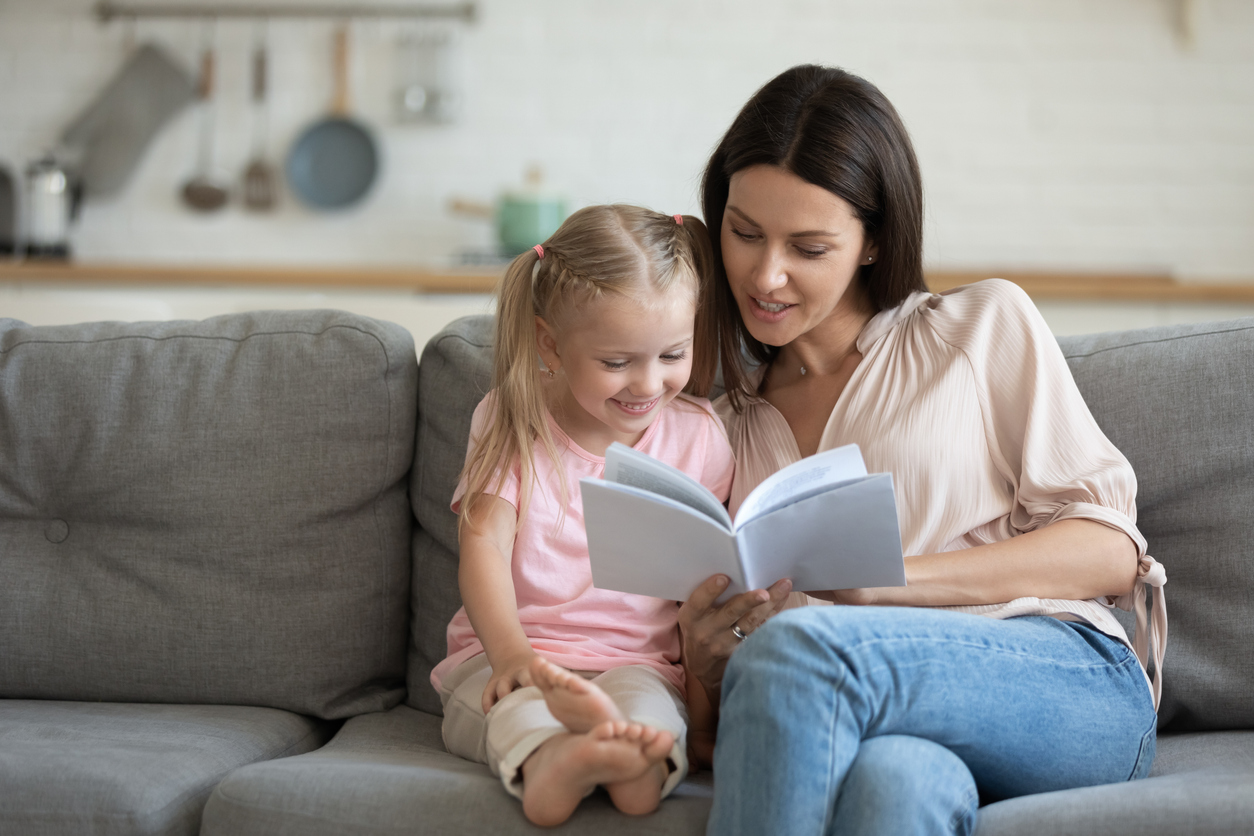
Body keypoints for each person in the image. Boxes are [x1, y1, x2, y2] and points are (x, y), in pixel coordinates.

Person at [677, 65, 1169, 835]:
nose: (765, 274)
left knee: (806, 648)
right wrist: (709, 665)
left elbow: (1110, 548)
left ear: (872, 241)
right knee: (893, 788)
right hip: (878, 721)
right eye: (744, 233)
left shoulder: (975, 331)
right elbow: (713, 741)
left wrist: (890, 584)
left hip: (1062, 679)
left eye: (807, 247)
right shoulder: (719, 425)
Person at [431, 205, 735, 827]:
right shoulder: (509, 417)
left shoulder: (700, 438)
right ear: (551, 344)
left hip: (637, 665)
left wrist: (702, 723)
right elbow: (483, 546)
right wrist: (513, 657)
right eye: (617, 362)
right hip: (509, 654)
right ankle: (556, 762)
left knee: (651, 723)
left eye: (672, 354)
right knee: (518, 712)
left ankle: (627, 766)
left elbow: (699, 597)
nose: (648, 385)